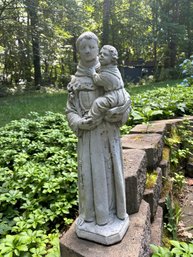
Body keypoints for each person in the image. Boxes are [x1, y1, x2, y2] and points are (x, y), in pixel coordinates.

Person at [66, 32, 131, 244]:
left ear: (98, 48)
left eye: (91, 47)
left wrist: (121, 110)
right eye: (83, 47)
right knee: (90, 176)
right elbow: (70, 110)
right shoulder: (75, 81)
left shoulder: (108, 72)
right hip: (88, 139)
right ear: (78, 51)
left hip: (109, 136)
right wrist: (79, 123)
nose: (87, 51)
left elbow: (123, 97)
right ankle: (93, 217)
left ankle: (113, 215)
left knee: (110, 174)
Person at [86, 45, 129, 121]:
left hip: (114, 96)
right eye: (100, 53)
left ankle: (91, 119)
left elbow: (97, 80)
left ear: (112, 59)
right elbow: (99, 67)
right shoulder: (109, 66)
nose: (101, 55)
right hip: (120, 93)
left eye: (105, 54)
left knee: (98, 103)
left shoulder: (107, 75)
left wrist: (93, 73)